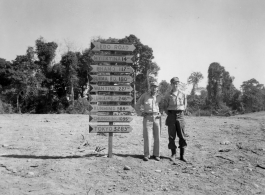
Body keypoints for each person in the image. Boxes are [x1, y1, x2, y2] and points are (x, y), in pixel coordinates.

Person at [135, 81, 162, 161]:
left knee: (157, 137)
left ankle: (157, 155)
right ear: (150, 87)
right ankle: (147, 155)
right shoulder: (145, 96)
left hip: (157, 118)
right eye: (153, 86)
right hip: (148, 118)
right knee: (147, 137)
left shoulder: (159, 97)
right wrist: (140, 113)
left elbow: (164, 105)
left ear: (158, 88)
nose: (154, 88)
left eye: (156, 86)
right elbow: (137, 105)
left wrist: (161, 113)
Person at [163, 77, 188, 162]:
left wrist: (181, 111)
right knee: (171, 136)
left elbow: (185, 104)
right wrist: (170, 114)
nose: (176, 84)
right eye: (174, 83)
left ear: (179, 84)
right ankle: (173, 154)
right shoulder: (168, 95)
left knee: (182, 136)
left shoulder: (183, 94)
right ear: (171, 84)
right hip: (171, 115)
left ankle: (182, 155)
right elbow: (165, 106)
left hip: (180, 115)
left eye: (177, 83)